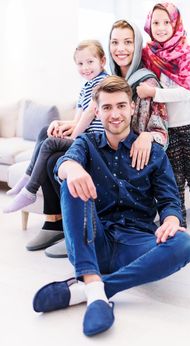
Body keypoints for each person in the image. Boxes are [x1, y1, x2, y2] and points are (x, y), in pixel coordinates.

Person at [32, 75, 190, 337]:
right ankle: (92, 278)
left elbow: (169, 201)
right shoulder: (87, 143)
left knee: (184, 244)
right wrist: (70, 167)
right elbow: (66, 163)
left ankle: (96, 289)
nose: (115, 114)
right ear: (97, 111)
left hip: (135, 245)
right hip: (92, 241)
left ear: (132, 107)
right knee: (72, 180)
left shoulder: (153, 153)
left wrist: (171, 220)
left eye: (121, 105)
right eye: (107, 107)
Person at [22, 19, 170, 258]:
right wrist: (70, 125)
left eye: (128, 42)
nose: (120, 48)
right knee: (55, 159)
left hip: (128, 152)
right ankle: (57, 225)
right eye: (114, 42)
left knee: (56, 157)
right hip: (103, 142)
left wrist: (147, 136)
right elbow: (96, 113)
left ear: (137, 45)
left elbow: (161, 129)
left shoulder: (147, 81)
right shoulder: (109, 77)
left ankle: (76, 231)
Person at [136, 3, 190, 250]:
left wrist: (153, 92)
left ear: (175, 24)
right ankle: (178, 227)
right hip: (167, 125)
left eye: (166, 22)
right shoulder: (148, 53)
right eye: (156, 23)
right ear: (149, 24)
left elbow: (186, 92)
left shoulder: (187, 52)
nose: (160, 28)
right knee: (174, 179)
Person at [4, 40, 108, 214]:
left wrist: (73, 138)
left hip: (95, 141)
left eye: (90, 62)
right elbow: (77, 120)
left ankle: (29, 190)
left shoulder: (102, 82)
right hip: (84, 135)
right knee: (46, 130)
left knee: (51, 143)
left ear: (102, 61)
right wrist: (58, 124)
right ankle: (28, 176)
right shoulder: (85, 87)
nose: (85, 67)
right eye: (80, 63)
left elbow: (90, 115)